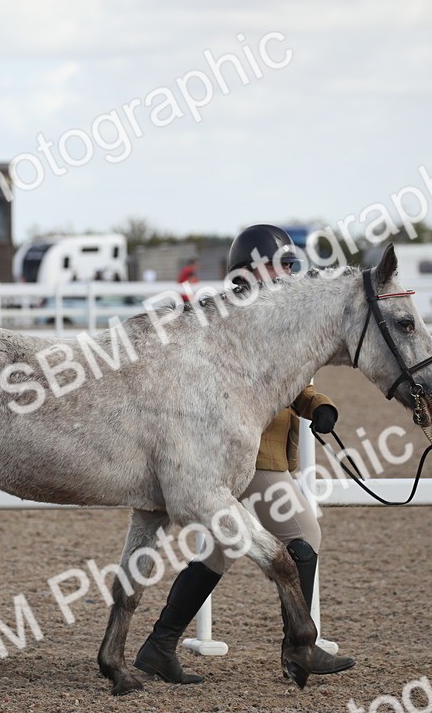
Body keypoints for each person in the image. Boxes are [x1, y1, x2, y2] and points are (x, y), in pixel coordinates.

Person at [133, 223, 356, 684]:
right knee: (304, 535)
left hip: (252, 451)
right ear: (256, 269)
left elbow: (293, 380)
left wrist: (320, 405)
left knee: (219, 551)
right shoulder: (237, 320)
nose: (292, 273)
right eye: (286, 264)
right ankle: (301, 646)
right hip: (247, 457)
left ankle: (159, 645)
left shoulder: (266, 316)